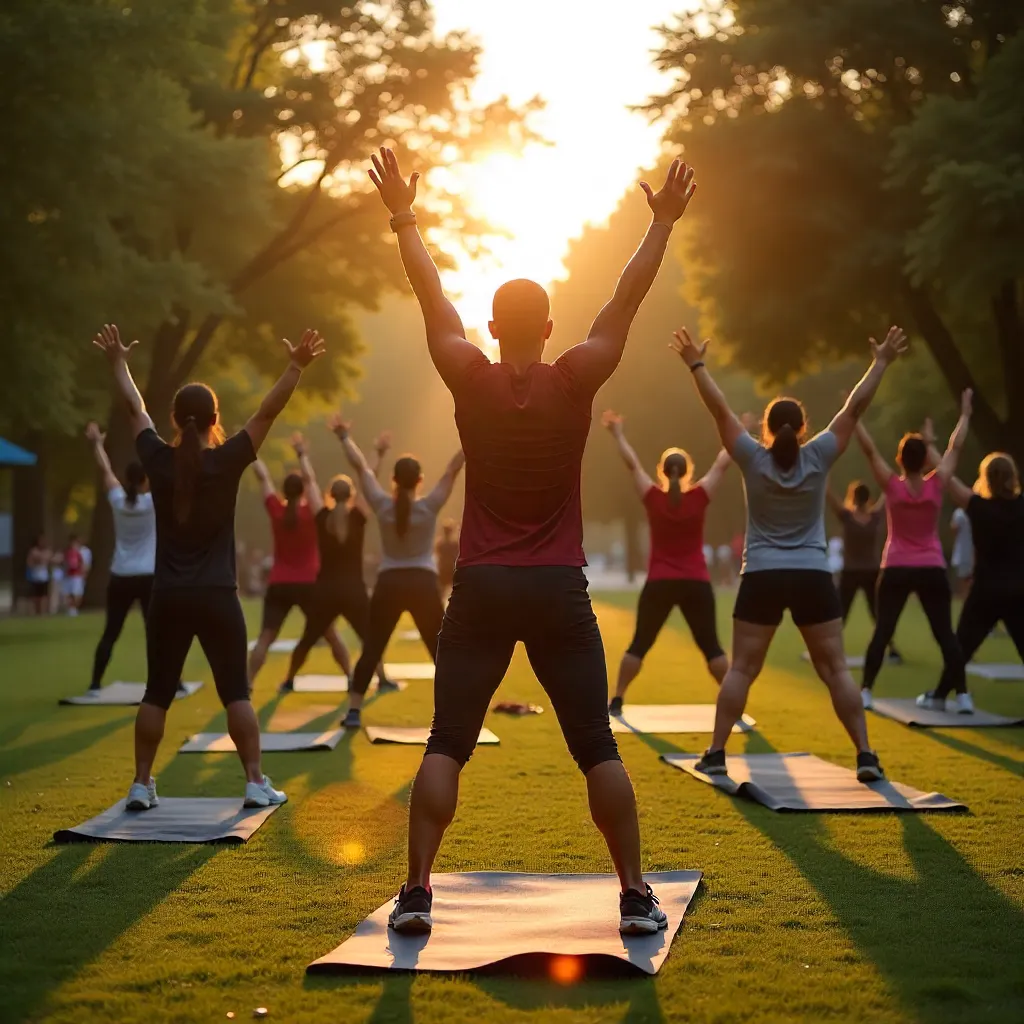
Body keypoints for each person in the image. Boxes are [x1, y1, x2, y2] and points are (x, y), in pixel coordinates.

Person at [369, 145, 697, 935]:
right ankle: (633, 895)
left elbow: (429, 293)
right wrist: (659, 226)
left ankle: (416, 894)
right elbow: (625, 301)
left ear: (491, 327)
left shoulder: (466, 374)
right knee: (594, 744)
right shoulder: (576, 377)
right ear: (550, 328)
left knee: (448, 740)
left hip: (482, 584)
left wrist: (405, 217)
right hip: (557, 587)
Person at [92, 321, 325, 810]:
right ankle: (255, 782)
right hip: (218, 596)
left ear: (176, 420)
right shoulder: (228, 461)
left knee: (156, 693)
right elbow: (267, 411)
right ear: (215, 418)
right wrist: (295, 365)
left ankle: (140, 783)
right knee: (235, 692)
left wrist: (118, 362)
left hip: (168, 597)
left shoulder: (156, 458)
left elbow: (135, 409)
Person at [675, 323, 909, 782]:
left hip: (762, 574)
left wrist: (696, 365)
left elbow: (719, 410)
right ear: (802, 429)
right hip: (812, 575)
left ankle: (717, 753)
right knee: (835, 669)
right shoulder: (819, 455)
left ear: (766, 427)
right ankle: (865, 755)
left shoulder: (751, 457)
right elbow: (854, 408)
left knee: (742, 668)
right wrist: (880, 362)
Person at [334, 415, 464, 729]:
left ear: (393, 479)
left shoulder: (382, 505)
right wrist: (472, 433)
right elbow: (452, 470)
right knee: (438, 648)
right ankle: (454, 712)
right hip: (422, 582)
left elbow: (362, 469)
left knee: (373, 647)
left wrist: (344, 437)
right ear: (419, 480)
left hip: (389, 582)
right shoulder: (429, 506)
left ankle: (353, 711)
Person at [601, 410, 731, 712]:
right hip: (695, 582)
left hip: (660, 581)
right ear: (687, 471)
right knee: (711, 646)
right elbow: (723, 464)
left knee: (639, 644)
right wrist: (738, 430)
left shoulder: (653, 498)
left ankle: (618, 698)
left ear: (662, 470)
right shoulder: (699, 496)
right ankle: (731, 700)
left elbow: (632, 464)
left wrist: (618, 435)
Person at [855, 390, 972, 708]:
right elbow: (955, 446)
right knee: (945, 634)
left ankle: (866, 691)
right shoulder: (938, 482)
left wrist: (853, 415)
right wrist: (965, 413)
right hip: (931, 567)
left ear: (900, 458)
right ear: (924, 459)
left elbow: (867, 449)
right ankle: (962, 696)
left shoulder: (892, 486)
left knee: (883, 630)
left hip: (896, 566)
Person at [278, 431, 393, 693]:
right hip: (354, 589)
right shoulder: (358, 516)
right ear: (352, 494)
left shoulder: (322, 515)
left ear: (330, 494)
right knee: (369, 639)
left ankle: (289, 679)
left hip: (325, 591)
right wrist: (379, 453)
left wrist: (302, 455)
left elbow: (309, 481)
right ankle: (383, 678)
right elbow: (369, 477)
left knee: (307, 639)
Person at [918, 452, 1024, 711]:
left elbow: (946, 477)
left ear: (986, 478)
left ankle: (940, 695)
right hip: (1019, 589)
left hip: (986, 591)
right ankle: (940, 694)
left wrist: (930, 448)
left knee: (962, 645)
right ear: (1012, 477)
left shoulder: (977, 506)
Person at [247, 445, 351, 689]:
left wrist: (250, 451)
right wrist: (303, 454)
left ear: (284, 490)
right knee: (331, 634)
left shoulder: (276, 511)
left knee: (265, 638)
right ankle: (351, 677)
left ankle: (248, 684)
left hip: (279, 584)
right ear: (303, 490)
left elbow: (262, 478)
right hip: (309, 584)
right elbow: (311, 479)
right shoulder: (311, 513)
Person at [85, 422, 157, 692]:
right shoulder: (152, 504)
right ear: (144, 481)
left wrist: (97, 445)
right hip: (147, 576)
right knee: (155, 634)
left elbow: (105, 471)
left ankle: (94, 682)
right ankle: (174, 682)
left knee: (111, 632)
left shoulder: (117, 500)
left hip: (121, 575)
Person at [825, 481, 902, 663]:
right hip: (871, 571)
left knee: (840, 612)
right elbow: (887, 492)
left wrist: (823, 474)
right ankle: (892, 649)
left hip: (851, 571)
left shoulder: (847, 516)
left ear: (852, 497)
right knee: (878, 612)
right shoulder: (873, 517)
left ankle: (828, 649)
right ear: (868, 498)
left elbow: (829, 496)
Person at [949, 505, 974, 600]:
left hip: (964, 550)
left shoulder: (959, 513)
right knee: (967, 577)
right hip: (969, 549)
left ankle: (966, 597)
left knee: (964, 578)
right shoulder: (962, 512)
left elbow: (953, 528)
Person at [61, 534, 89, 616]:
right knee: (68, 593)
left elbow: (82, 563)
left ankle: (74, 608)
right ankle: (71, 609)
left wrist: (83, 572)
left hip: (77, 576)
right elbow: (63, 562)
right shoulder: (67, 552)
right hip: (69, 575)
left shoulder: (78, 553)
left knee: (77, 593)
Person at [435, 519, 460, 604]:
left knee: (441, 593)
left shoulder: (440, 543)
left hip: (443, 570)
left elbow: (437, 556)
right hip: (452, 570)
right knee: (456, 592)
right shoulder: (455, 544)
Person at [25, 535, 51, 615]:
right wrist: (36, 561)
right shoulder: (33, 551)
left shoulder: (47, 551)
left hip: (44, 576)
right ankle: (36, 611)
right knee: (36, 595)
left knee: (44, 595)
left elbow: (50, 559)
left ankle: (43, 611)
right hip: (35, 576)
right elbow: (29, 563)